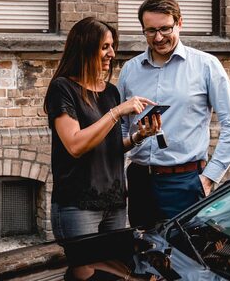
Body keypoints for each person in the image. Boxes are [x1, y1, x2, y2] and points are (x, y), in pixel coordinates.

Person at [44, 17, 160, 281]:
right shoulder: (63, 88)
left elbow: (108, 147)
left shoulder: (110, 91)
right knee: (85, 274)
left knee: (115, 275)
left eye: (112, 46)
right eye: (105, 47)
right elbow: (75, 145)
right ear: (85, 48)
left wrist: (137, 138)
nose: (112, 53)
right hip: (78, 204)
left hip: (115, 203)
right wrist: (117, 112)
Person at [117, 0, 230, 228]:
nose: (158, 38)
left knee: (187, 254)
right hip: (139, 180)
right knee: (143, 253)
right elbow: (122, 125)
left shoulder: (206, 65)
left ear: (180, 23)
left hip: (185, 182)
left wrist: (209, 177)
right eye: (150, 31)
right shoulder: (130, 70)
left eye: (165, 29)